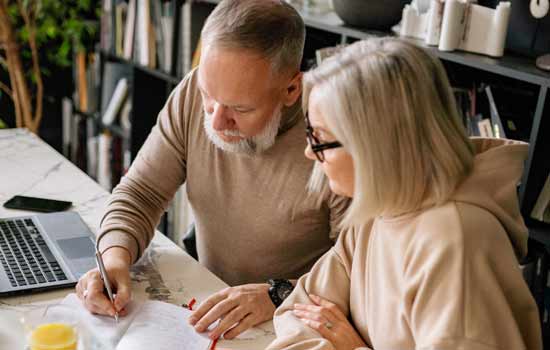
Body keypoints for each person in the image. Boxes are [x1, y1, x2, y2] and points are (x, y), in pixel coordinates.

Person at [75, 0, 348, 341]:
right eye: (209, 95)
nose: (216, 121)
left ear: (291, 89)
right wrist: (115, 258)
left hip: (288, 323)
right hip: (202, 296)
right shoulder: (194, 91)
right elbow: (141, 191)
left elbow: (357, 270)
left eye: (240, 107)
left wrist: (277, 294)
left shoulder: (332, 136)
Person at [268, 37, 542, 350]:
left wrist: (351, 347)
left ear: (376, 148)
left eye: (320, 139)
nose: (308, 152)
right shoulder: (380, 207)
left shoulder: (456, 244)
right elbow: (299, 310)